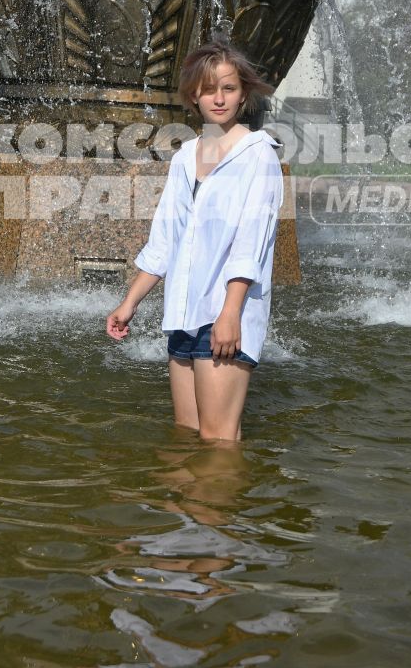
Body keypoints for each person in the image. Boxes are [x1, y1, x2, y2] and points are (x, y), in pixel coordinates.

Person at [106, 42, 283, 442]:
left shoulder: (258, 155)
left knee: (218, 440)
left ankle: (215, 506)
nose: (219, 99)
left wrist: (230, 313)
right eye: (208, 89)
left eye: (229, 88)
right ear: (193, 96)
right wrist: (129, 303)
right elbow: (166, 237)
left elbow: (251, 242)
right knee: (186, 435)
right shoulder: (185, 157)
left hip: (224, 312)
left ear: (244, 93)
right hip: (183, 313)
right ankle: (191, 506)